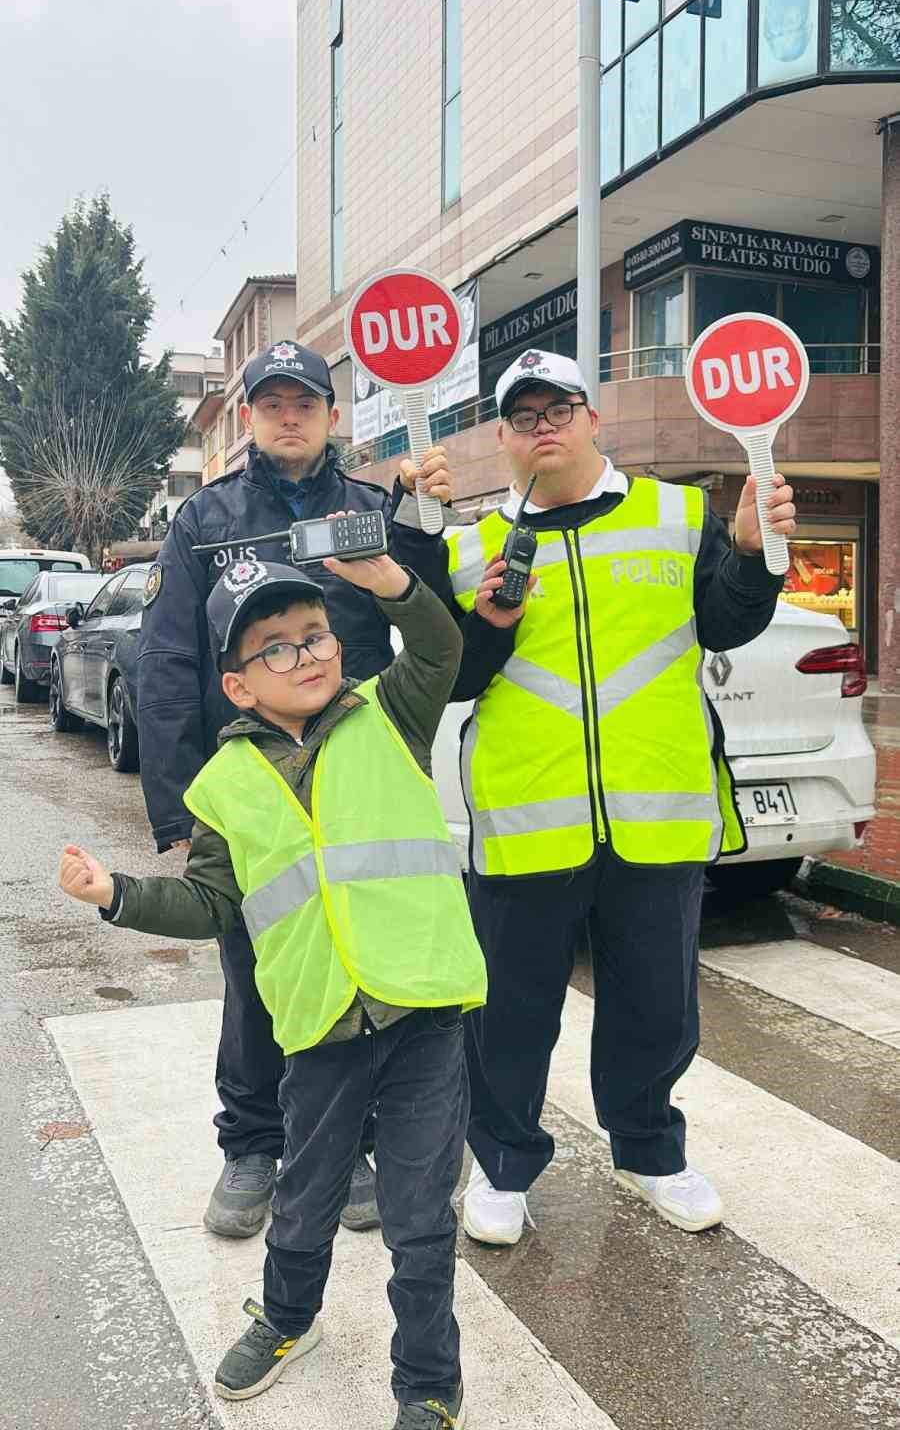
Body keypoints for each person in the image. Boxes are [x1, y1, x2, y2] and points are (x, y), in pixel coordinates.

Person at [60, 552, 486, 1429]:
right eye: (279, 649)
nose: (310, 656)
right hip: (321, 1025)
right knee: (303, 1201)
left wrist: (391, 584)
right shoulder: (223, 789)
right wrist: (118, 896)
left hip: (422, 1013)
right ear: (239, 686)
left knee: (418, 1221)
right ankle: (290, 1321)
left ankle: (428, 1387)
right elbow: (214, 901)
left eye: (316, 636)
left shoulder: (387, 712)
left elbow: (441, 647)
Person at [427, 348, 797, 1244]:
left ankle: (649, 1153)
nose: (543, 425)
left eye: (560, 408)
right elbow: (458, 679)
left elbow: (727, 621)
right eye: (524, 416)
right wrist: (489, 624)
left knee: (655, 1004)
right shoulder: (472, 547)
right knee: (510, 1013)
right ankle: (505, 1165)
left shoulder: (676, 514)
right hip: (525, 817)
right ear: (507, 441)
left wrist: (751, 554)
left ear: (595, 419)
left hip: (655, 814)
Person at [137, 340, 452, 1239]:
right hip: (257, 775)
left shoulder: (370, 509)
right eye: (269, 402)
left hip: (353, 774)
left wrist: (427, 518)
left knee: (356, 956)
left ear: (331, 415)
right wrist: (179, 805)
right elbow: (168, 662)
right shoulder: (205, 518)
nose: (287, 415)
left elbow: (425, 617)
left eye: (303, 402)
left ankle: (348, 1141)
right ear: (247, 417)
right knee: (254, 966)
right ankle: (250, 1143)